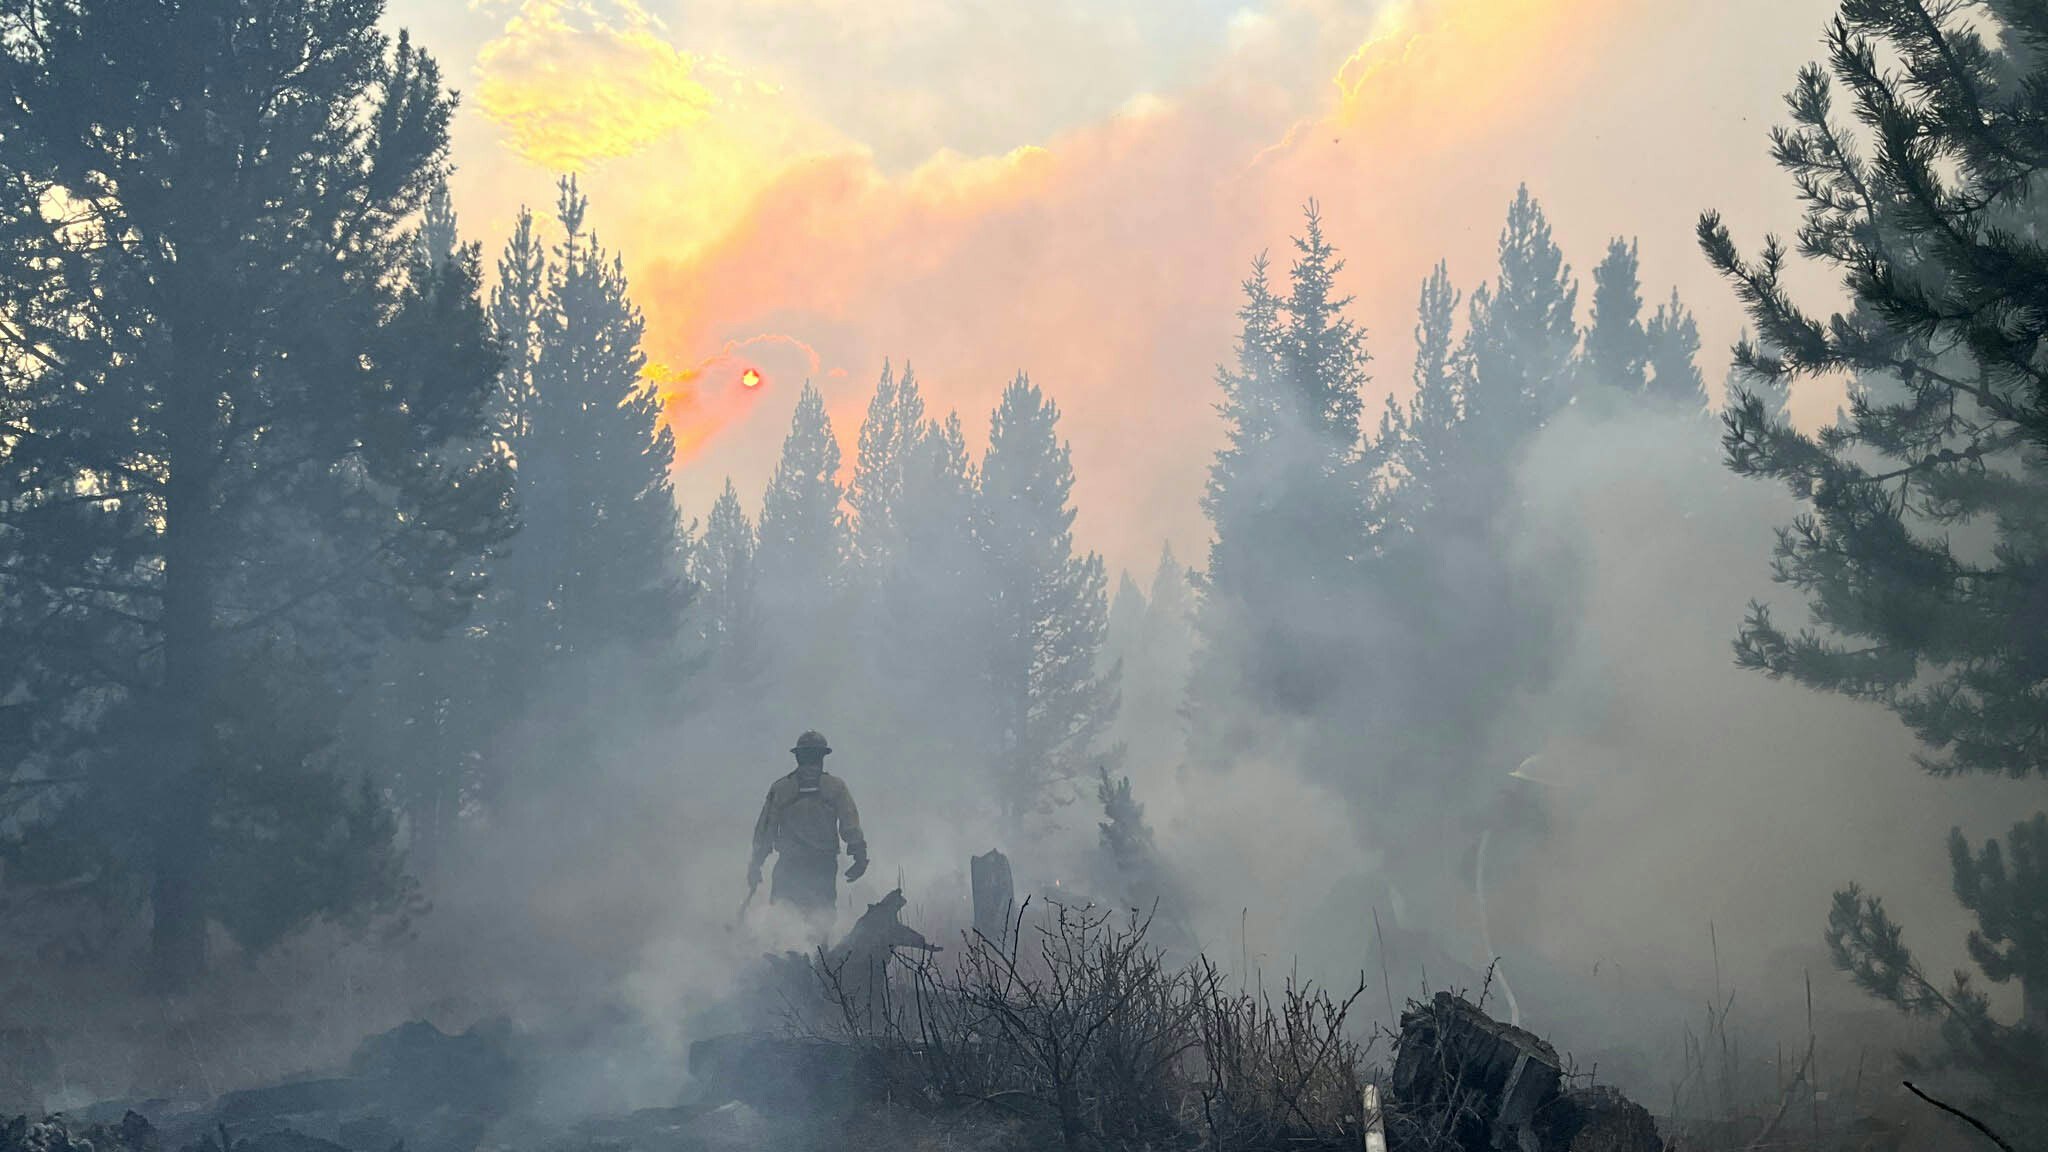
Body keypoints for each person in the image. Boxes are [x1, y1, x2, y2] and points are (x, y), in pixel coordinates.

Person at [748, 730, 868, 932]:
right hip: (822, 866)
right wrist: (859, 855)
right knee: (820, 920)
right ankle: (819, 960)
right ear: (822, 756)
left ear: (798, 756)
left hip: (789, 865)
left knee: (782, 919)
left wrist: (756, 864)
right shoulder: (835, 787)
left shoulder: (781, 788)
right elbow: (850, 825)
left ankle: (782, 960)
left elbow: (765, 831)